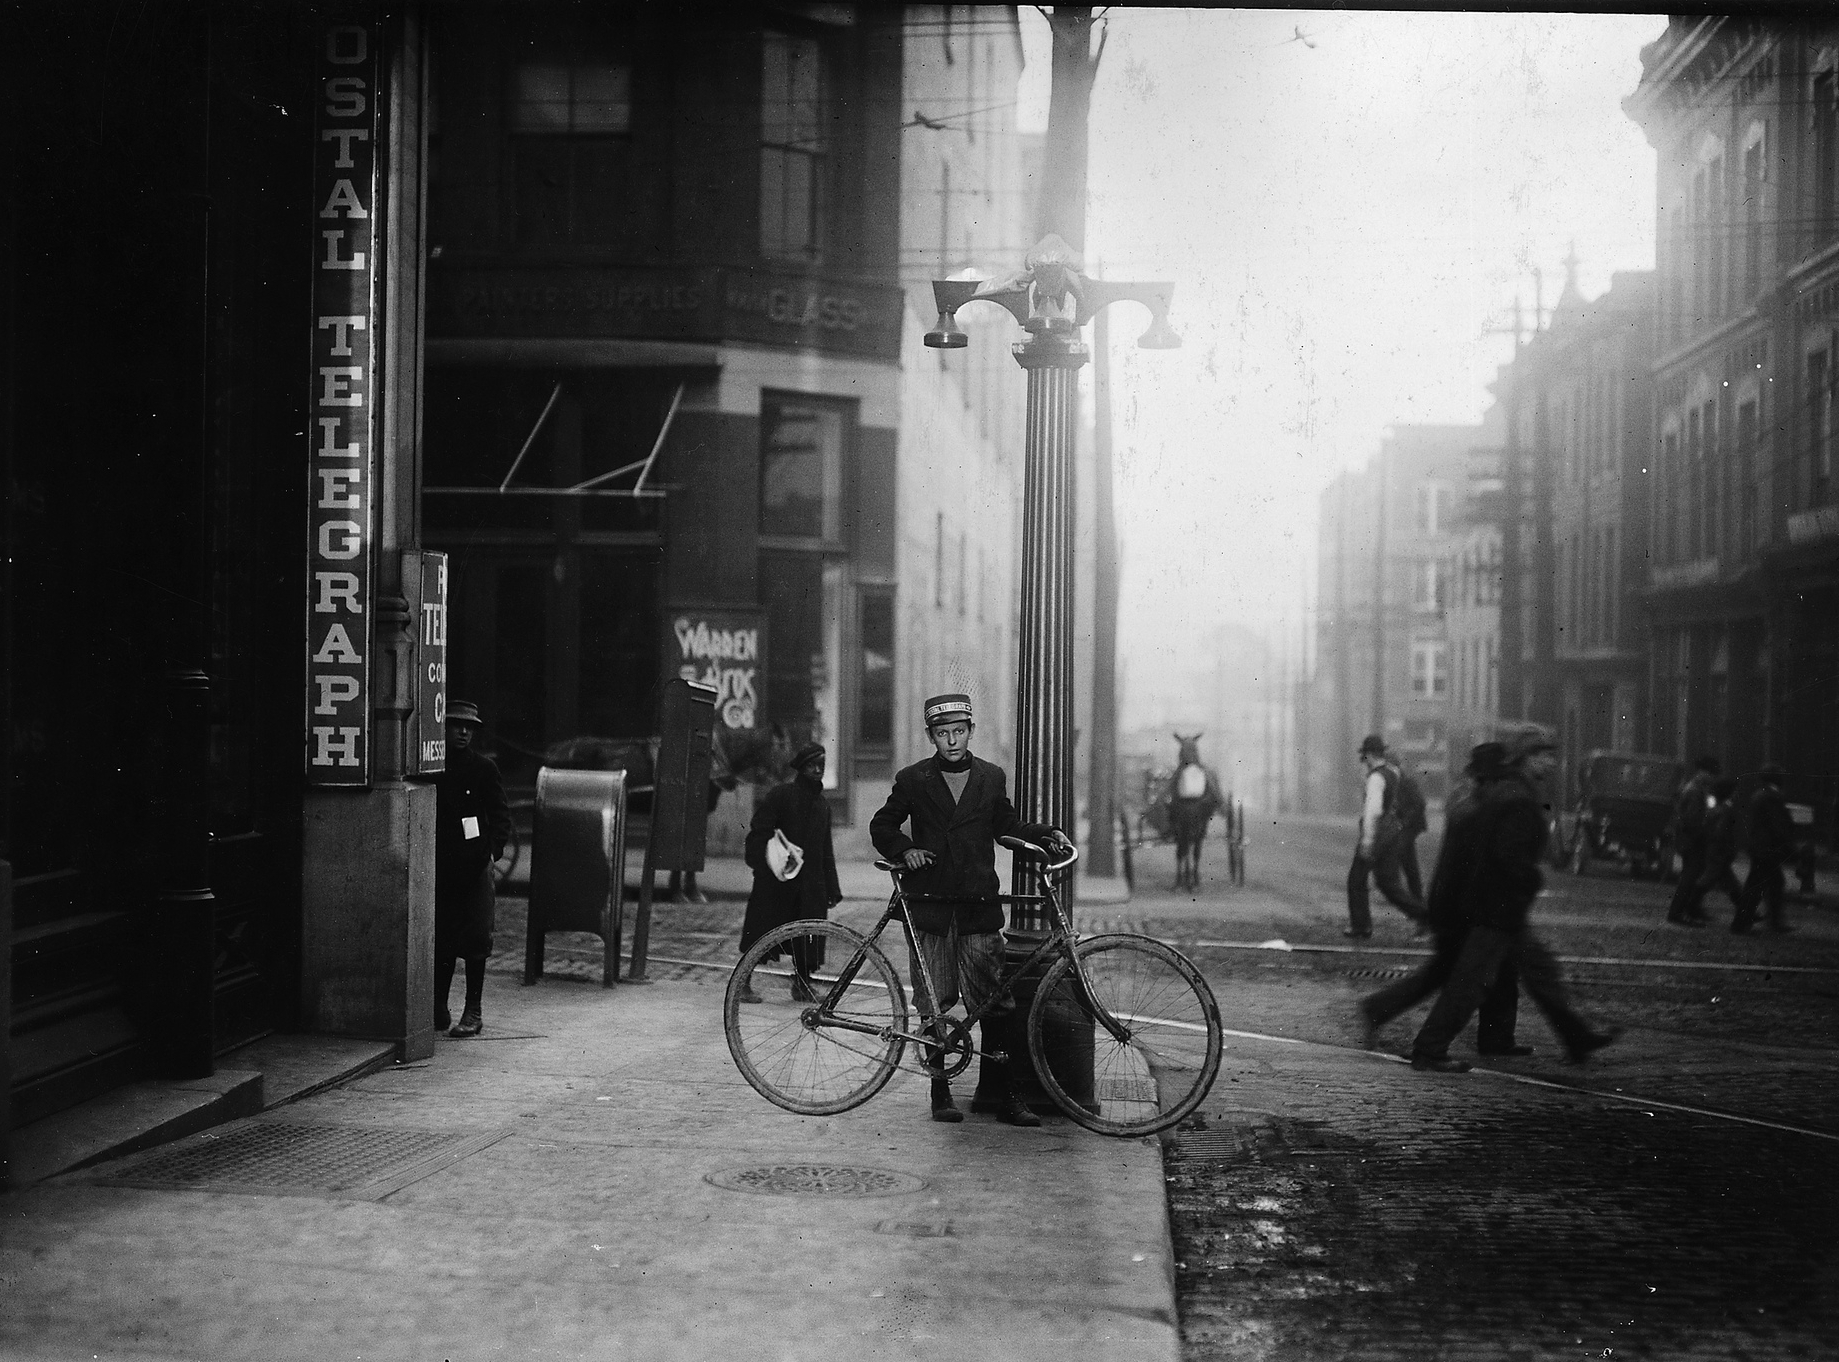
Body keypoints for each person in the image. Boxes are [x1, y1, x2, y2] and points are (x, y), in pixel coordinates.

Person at [869, 693, 1070, 1127]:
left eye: (959, 731)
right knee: (935, 1004)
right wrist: (906, 851)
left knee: (994, 1003)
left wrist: (1045, 833)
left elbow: (1007, 827)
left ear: (971, 731)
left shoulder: (991, 778)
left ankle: (1008, 1097)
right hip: (931, 908)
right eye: (942, 734)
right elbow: (882, 825)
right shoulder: (913, 780)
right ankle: (940, 1092)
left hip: (979, 907)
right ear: (931, 737)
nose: (952, 740)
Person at [1408, 723, 1619, 1073]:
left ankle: (1576, 1037)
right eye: (1544, 756)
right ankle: (1429, 1048)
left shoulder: (1511, 790)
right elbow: (1507, 858)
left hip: (1502, 907)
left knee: (1540, 970)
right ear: (1526, 759)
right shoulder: (1516, 797)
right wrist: (1532, 878)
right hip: (1497, 909)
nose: (1551, 763)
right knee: (1470, 981)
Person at [1359, 743, 1528, 1056]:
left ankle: (1497, 1038)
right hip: (1460, 906)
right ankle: (1393, 1018)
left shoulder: (1469, 798)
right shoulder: (1474, 803)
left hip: (1459, 903)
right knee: (1454, 973)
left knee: (1490, 968)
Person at [736, 743, 842, 1004]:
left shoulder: (822, 805)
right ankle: (743, 984)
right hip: (777, 882)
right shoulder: (781, 795)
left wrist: (832, 888)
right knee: (761, 931)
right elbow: (759, 831)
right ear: (801, 768)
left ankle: (803, 985)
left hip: (811, 884)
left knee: (808, 933)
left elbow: (825, 849)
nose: (817, 770)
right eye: (811, 765)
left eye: (821, 765)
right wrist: (761, 867)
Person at [435, 700, 512, 1038]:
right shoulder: (432, 768)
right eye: (456, 725)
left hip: (476, 867)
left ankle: (473, 1011)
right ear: (444, 728)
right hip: (441, 867)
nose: (464, 732)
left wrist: (491, 853)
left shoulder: (483, 769)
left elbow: (500, 816)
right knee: (442, 939)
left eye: (470, 727)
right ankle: (438, 1006)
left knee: (477, 940)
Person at [1345, 733, 1427, 938]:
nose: (1364, 760)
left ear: (1370, 755)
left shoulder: (1375, 778)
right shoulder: (1393, 772)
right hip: (1391, 835)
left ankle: (1361, 926)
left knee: (1356, 881)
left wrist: (1367, 841)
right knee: (1389, 883)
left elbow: (1372, 811)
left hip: (1377, 836)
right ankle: (1426, 916)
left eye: (1365, 756)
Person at [1734, 763, 1796, 934]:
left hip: (1760, 848)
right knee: (1757, 887)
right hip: (1766, 849)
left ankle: (1769, 923)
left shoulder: (1762, 794)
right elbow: (1777, 826)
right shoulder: (1771, 796)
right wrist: (1789, 846)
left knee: (1771, 884)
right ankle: (1743, 924)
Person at [1678, 776, 1745, 927]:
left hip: (1715, 849)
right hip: (1720, 850)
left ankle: (1746, 911)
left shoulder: (1715, 808)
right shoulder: (1726, 810)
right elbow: (1721, 832)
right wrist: (1728, 848)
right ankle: (1691, 907)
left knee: (1730, 882)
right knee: (1710, 879)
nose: (1737, 794)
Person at [1665, 755, 1721, 925]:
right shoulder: (1696, 790)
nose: (1712, 777)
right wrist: (1704, 834)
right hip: (1692, 841)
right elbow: (1692, 820)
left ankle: (1690, 910)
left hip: (1689, 839)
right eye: (1711, 773)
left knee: (1692, 876)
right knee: (1689, 878)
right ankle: (1678, 912)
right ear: (1703, 772)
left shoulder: (1696, 788)